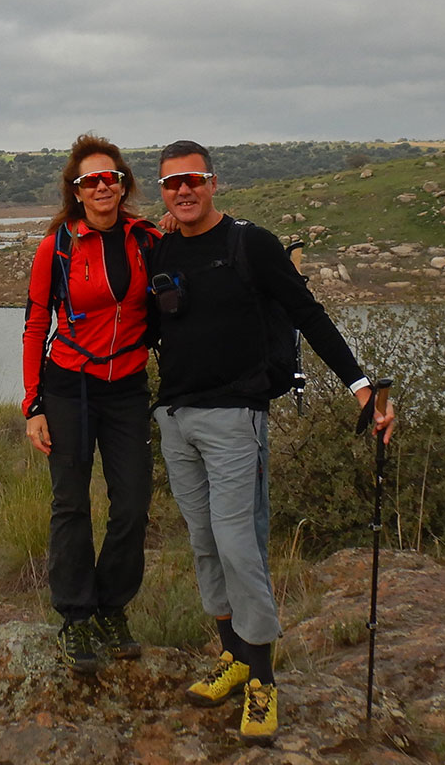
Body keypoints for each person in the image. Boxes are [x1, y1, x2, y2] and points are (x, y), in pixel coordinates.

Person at [148, 140, 394, 744]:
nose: (184, 191)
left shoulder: (249, 243)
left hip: (236, 417)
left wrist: (360, 386)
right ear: (162, 190)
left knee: (238, 546)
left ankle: (263, 683)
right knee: (205, 545)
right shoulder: (159, 249)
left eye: (195, 180)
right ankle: (232, 655)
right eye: (172, 183)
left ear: (214, 183)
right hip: (176, 418)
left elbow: (307, 312)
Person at [21, 133, 162, 674]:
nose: (103, 186)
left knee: (131, 506)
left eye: (112, 178)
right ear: (75, 191)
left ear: (124, 185)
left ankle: (112, 608)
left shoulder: (147, 239)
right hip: (68, 389)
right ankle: (77, 618)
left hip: (126, 388)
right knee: (72, 505)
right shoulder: (56, 246)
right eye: (91, 180)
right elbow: (37, 325)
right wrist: (33, 406)